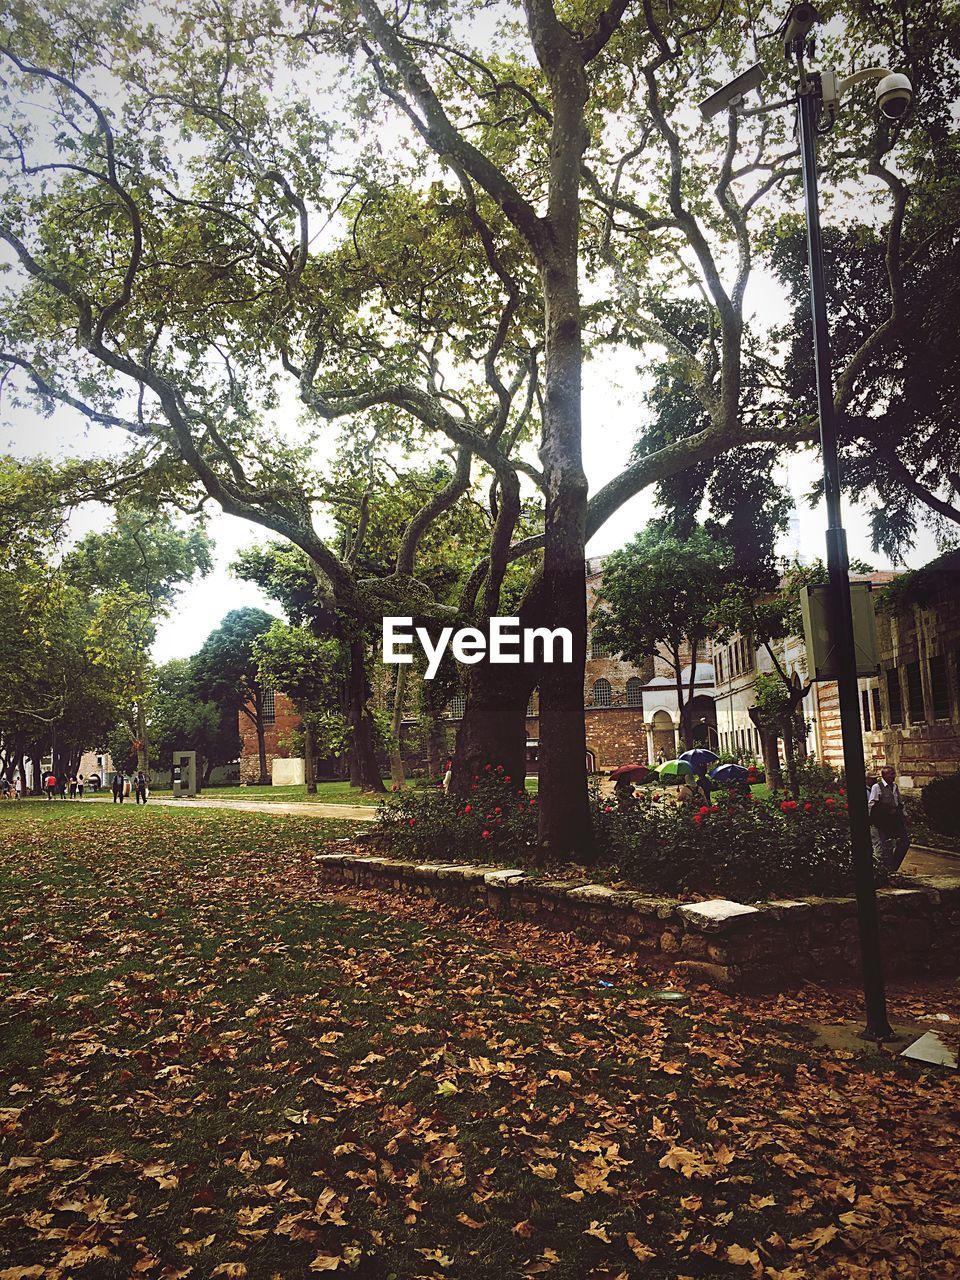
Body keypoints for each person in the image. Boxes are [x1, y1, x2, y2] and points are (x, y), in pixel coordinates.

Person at [868, 766, 910, 871]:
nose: (893, 776)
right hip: (882, 820)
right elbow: (872, 804)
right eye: (890, 774)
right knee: (884, 845)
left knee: (904, 842)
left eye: (893, 773)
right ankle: (885, 870)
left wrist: (905, 815)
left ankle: (893, 866)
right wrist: (871, 820)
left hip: (894, 819)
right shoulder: (877, 787)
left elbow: (900, 802)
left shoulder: (895, 786)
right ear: (884, 775)